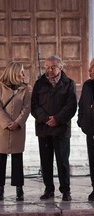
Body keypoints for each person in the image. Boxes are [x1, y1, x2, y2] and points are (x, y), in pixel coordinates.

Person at [31, 55, 77, 201]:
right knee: (46, 161)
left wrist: (57, 119)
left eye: (53, 67)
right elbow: (34, 106)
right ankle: (48, 189)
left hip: (61, 129)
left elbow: (71, 105)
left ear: (60, 67)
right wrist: (45, 118)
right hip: (44, 128)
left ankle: (65, 191)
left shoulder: (69, 83)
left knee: (62, 161)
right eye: (47, 67)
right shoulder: (39, 83)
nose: (49, 70)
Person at [0, 62, 32, 201]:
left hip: (17, 129)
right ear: (13, 73)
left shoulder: (25, 89)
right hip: (1, 129)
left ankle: (19, 189)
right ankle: (0, 189)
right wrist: (7, 123)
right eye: (21, 72)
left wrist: (18, 122)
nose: (24, 75)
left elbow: (27, 108)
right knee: (0, 159)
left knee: (17, 159)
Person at [77, 59, 94, 201]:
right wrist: (81, 122)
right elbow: (81, 104)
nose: (89, 70)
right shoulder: (87, 85)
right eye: (90, 67)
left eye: (92, 67)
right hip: (91, 132)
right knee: (93, 162)